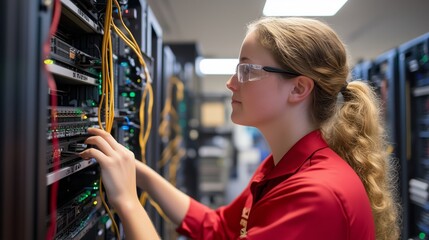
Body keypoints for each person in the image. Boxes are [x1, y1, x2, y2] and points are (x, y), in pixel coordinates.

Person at [80, 17, 401, 240]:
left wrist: (127, 201)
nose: (231, 83)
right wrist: (139, 173)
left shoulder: (317, 196)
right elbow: (217, 228)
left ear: (299, 88)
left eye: (246, 70)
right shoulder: (282, 167)